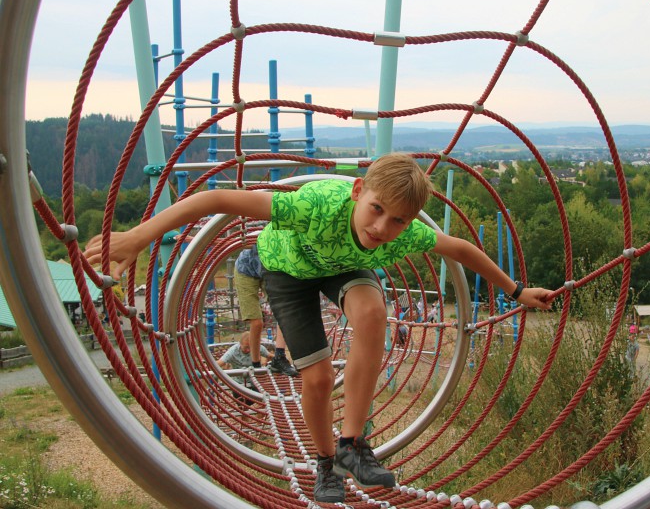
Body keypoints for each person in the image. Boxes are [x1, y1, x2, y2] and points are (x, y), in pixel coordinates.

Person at [85, 153, 554, 503]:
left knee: (372, 313)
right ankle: (325, 463)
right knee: (318, 377)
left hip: (341, 267)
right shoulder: (314, 205)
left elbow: (460, 250)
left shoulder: (402, 233)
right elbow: (216, 199)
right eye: (376, 210)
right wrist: (138, 236)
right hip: (287, 270)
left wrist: (516, 293)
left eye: (399, 220)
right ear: (356, 191)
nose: (384, 227)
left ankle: (353, 444)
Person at [235, 245, 298, 378]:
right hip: (245, 268)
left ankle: (279, 357)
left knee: (284, 311)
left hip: (269, 268)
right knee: (257, 323)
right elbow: (239, 241)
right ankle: (256, 364)